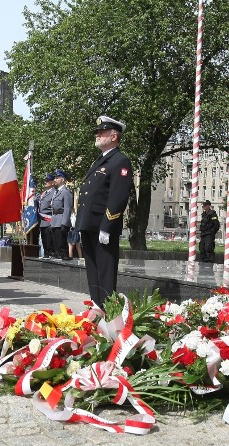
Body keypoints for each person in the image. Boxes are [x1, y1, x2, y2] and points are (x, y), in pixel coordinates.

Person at [74, 115, 133, 307]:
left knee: (105, 272)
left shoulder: (120, 161)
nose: (98, 135)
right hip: (89, 224)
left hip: (102, 226)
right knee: (93, 270)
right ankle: (97, 306)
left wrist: (107, 225)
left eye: (102, 132)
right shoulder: (101, 160)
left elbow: (118, 197)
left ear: (114, 136)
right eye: (98, 132)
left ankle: (109, 312)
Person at [50, 168, 73, 260]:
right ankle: (58, 255)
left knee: (61, 243)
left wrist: (65, 223)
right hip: (55, 220)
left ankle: (64, 256)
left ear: (62, 179)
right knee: (56, 244)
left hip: (61, 220)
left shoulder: (66, 192)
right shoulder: (56, 192)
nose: (55, 180)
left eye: (57, 178)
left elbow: (67, 208)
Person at [38, 173, 55, 258]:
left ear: (52, 182)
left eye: (47, 181)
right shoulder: (43, 193)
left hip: (49, 221)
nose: (45, 182)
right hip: (42, 221)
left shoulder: (54, 192)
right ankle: (46, 255)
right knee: (44, 242)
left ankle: (50, 256)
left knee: (49, 243)